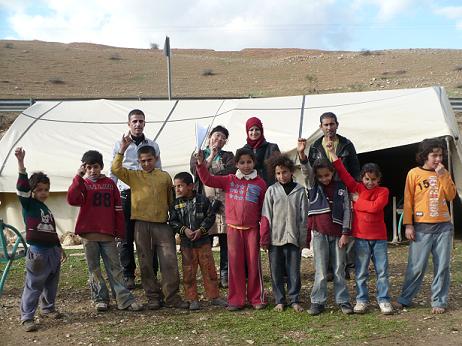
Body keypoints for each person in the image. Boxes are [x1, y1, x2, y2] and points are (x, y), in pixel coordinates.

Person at [111, 136, 188, 310]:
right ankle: (153, 296)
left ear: (156, 159)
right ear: (138, 162)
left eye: (149, 160)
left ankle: (172, 297)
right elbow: (115, 169)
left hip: (162, 224)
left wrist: (176, 223)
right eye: (143, 161)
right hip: (141, 225)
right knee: (145, 262)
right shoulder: (133, 176)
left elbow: (171, 202)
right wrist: (122, 150)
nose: (146, 164)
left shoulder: (164, 177)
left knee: (169, 261)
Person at [67, 150, 143, 312]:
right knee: (93, 268)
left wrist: (119, 232)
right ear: (84, 168)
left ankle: (124, 299)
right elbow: (72, 199)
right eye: (89, 167)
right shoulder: (83, 183)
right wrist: (78, 177)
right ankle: (100, 298)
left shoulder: (110, 184)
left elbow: (118, 210)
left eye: (95, 166)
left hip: (108, 234)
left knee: (115, 267)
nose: (93, 170)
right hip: (89, 234)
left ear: (101, 167)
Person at [195, 148, 267, 311]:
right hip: (233, 229)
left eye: (249, 162)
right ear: (236, 164)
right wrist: (200, 164)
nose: (246, 165)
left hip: (252, 229)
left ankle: (257, 298)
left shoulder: (260, 183)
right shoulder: (229, 180)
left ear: (254, 163)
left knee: (253, 264)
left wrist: (264, 232)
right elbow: (208, 180)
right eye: (242, 162)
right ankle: (236, 300)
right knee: (235, 265)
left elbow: (265, 210)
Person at [327, 144, 393, 315]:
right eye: (367, 179)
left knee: (382, 271)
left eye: (373, 179)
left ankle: (384, 300)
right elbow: (343, 172)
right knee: (361, 271)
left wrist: (358, 201)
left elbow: (375, 208)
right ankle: (361, 299)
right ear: (362, 178)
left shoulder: (383, 191)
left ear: (379, 179)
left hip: (379, 237)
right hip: (361, 237)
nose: (370, 182)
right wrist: (333, 153)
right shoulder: (356, 187)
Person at [396, 138, 456, 314]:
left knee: (442, 266)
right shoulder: (413, 173)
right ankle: (405, 298)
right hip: (421, 227)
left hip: (443, 226)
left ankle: (439, 300)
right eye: (434, 155)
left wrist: (443, 174)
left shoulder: (443, 172)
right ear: (424, 156)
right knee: (416, 266)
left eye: (440, 155)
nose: (438, 159)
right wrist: (408, 225)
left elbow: (451, 195)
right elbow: (408, 201)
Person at [298, 140, 353, 316]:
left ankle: (343, 300)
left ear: (332, 173)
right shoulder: (313, 186)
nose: (324, 179)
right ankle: (317, 301)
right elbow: (306, 171)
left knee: (339, 269)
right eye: (320, 176)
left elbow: (347, 211)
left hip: (338, 235)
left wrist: (345, 233)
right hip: (320, 233)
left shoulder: (341, 188)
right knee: (321, 270)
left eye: (327, 175)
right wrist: (301, 155)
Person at [15, 147, 65, 332]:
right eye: (39, 190)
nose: (44, 193)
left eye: (46, 190)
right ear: (32, 191)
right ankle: (27, 317)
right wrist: (21, 164)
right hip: (38, 252)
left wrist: (60, 248)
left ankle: (48, 308)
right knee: (34, 284)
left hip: (52, 251)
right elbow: (22, 188)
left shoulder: (46, 210)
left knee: (51, 283)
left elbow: (51, 231)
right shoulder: (29, 204)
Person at [110, 109, 161, 290]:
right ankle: (128, 274)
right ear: (129, 124)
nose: (138, 124)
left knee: (148, 237)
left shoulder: (153, 145)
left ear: (145, 123)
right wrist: (111, 195)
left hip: (146, 197)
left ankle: (151, 274)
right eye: (134, 121)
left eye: (141, 121)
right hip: (126, 195)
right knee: (126, 237)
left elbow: (158, 172)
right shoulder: (119, 144)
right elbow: (114, 172)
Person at [306, 112, 360, 280]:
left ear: (337, 124)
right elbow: (310, 171)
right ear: (320, 127)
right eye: (326, 125)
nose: (329, 127)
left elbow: (355, 168)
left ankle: (347, 266)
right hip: (323, 192)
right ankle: (328, 268)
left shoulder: (346, 144)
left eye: (332, 124)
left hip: (342, 189)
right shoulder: (315, 146)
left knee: (345, 226)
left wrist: (354, 191)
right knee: (326, 228)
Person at [169, 172, 228, 310]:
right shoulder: (176, 204)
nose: (177, 189)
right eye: (175, 186)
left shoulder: (203, 200)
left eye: (180, 186)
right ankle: (192, 298)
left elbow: (210, 217)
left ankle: (214, 296)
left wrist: (200, 230)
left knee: (209, 270)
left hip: (203, 243)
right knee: (189, 272)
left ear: (191, 186)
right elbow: (172, 221)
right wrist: (185, 230)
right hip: (186, 244)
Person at [260, 154, 308, 312]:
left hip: (293, 238)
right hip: (275, 239)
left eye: (285, 172)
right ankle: (279, 300)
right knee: (276, 271)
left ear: (292, 171)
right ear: (274, 174)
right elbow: (266, 216)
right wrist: (265, 239)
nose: (282, 176)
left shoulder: (300, 190)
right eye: (278, 173)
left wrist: (303, 240)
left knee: (294, 271)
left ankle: (294, 299)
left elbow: (303, 217)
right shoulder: (271, 191)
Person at [190, 125, 235, 288]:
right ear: (209, 136)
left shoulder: (229, 156)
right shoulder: (198, 154)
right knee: (205, 240)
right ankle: (209, 275)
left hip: (223, 202)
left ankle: (225, 274)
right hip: (205, 202)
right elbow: (196, 174)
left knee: (225, 240)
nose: (219, 139)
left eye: (223, 137)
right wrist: (210, 158)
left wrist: (207, 171)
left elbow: (229, 173)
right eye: (217, 136)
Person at [241, 117, 280, 185]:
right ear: (247, 131)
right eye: (251, 130)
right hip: (251, 190)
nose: (254, 132)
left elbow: (280, 169)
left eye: (257, 129)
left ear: (261, 130)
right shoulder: (243, 151)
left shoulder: (272, 147)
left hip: (270, 189)